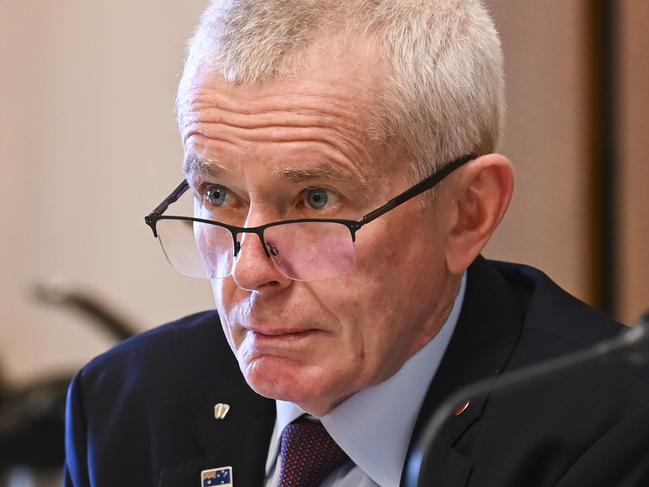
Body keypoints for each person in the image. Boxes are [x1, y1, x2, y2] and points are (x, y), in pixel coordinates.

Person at [64, 1, 649, 486]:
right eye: (217, 194)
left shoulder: (614, 435)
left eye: (315, 199)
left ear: (468, 213)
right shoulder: (123, 406)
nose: (248, 270)